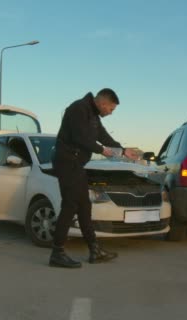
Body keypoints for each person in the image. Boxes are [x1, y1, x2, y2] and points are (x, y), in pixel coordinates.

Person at [49, 88, 139, 269]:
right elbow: (80, 137)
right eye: (111, 109)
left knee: (84, 207)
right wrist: (102, 150)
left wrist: (122, 150)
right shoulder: (78, 109)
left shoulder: (93, 115)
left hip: (77, 165)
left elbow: (102, 136)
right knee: (70, 206)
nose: (110, 113)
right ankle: (57, 253)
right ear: (103, 103)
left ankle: (95, 250)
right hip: (68, 163)